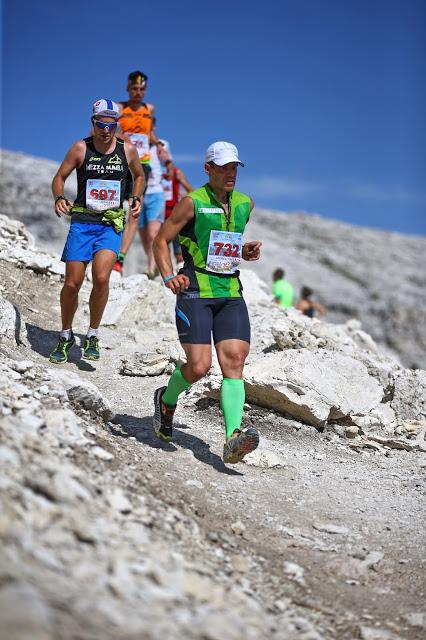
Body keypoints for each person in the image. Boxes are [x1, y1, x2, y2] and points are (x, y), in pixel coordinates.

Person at [153, 141, 262, 464]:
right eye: (224, 167)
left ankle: (232, 437)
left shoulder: (245, 204)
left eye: (234, 168)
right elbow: (161, 240)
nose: (231, 174)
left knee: (235, 361)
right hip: (196, 291)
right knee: (199, 367)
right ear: (208, 169)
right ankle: (166, 399)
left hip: (229, 292)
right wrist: (168, 276)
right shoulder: (192, 203)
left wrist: (243, 252)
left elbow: (220, 245)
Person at [49, 99, 144, 364]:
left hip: (110, 224)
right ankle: (66, 335)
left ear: (116, 125)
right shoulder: (81, 148)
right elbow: (59, 176)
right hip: (82, 222)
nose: (106, 129)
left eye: (111, 124)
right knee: (72, 283)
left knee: (102, 278)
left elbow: (139, 175)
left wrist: (135, 197)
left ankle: (92, 334)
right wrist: (59, 197)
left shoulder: (127, 150)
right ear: (93, 123)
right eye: (101, 123)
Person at [113, 71, 156, 274]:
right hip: (122, 162)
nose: (138, 93)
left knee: (135, 210)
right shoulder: (120, 108)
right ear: (128, 88)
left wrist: (160, 146)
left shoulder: (150, 109)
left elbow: (149, 133)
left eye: (142, 89)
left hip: (143, 165)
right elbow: (102, 130)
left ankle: (120, 258)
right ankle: (108, 249)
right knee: (115, 206)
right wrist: (121, 135)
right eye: (134, 89)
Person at [158, 139, 193, 269]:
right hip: (158, 214)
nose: (160, 155)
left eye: (163, 152)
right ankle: (162, 272)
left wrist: (182, 181)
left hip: (173, 214)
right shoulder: (153, 171)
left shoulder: (176, 171)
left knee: (178, 249)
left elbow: (191, 191)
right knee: (159, 245)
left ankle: (181, 270)